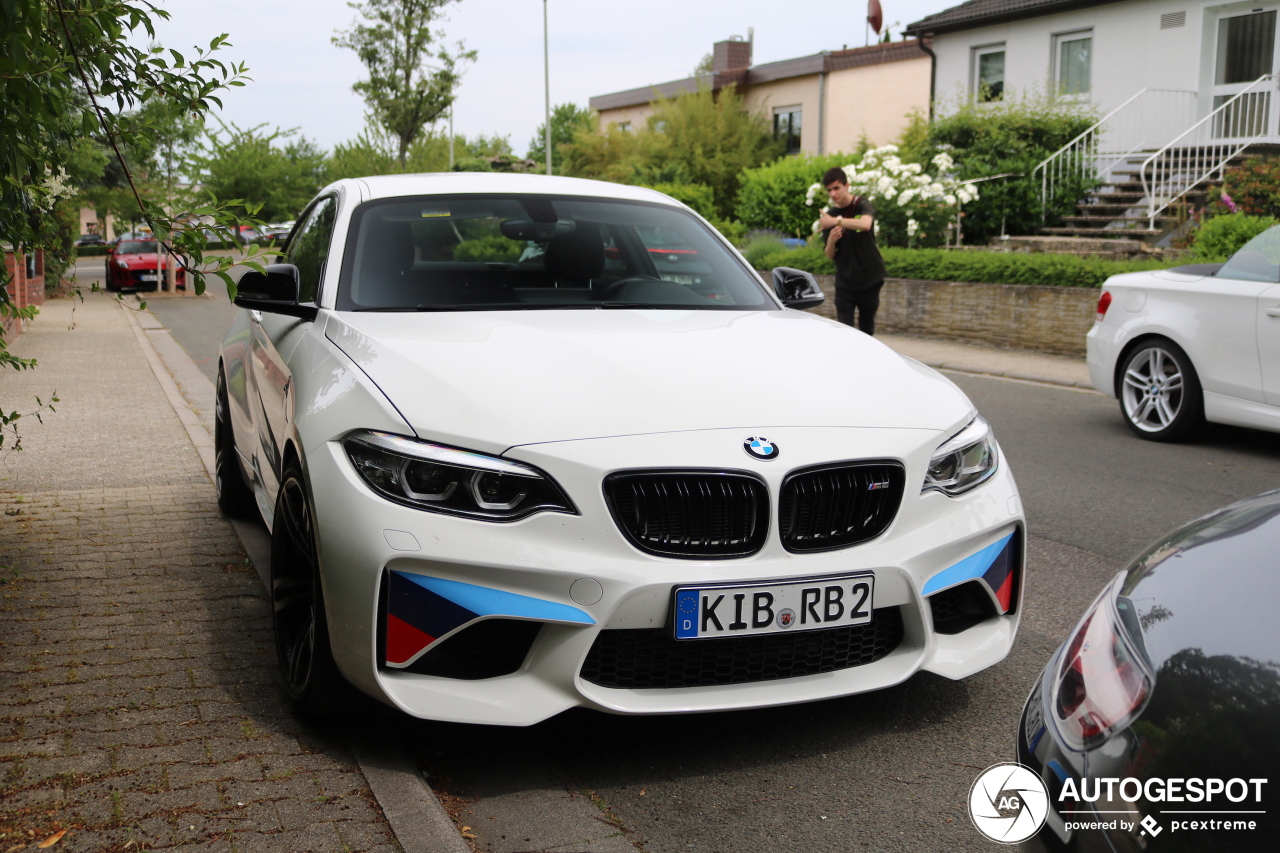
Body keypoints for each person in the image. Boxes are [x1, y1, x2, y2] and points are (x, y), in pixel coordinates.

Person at [818, 167, 886, 335]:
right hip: (845, 281)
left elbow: (865, 224)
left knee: (866, 328)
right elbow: (829, 254)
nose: (833, 194)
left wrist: (837, 222)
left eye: (836, 188)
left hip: (870, 278)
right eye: (829, 190)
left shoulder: (861, 204)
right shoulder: (831, 216)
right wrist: (832, 240)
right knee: (844, 329)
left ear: (847, 186)